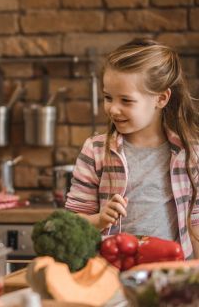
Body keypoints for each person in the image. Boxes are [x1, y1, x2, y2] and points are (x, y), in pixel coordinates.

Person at [65, 38, 199, 259]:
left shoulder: (189, 152)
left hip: (169, 274)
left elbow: (195, 222)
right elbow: (72, 223)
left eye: (126, 100)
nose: (113, 109)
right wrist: (99, 220)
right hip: (110, 274)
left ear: (161, 98)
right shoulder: (96, 150)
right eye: (108, 97)